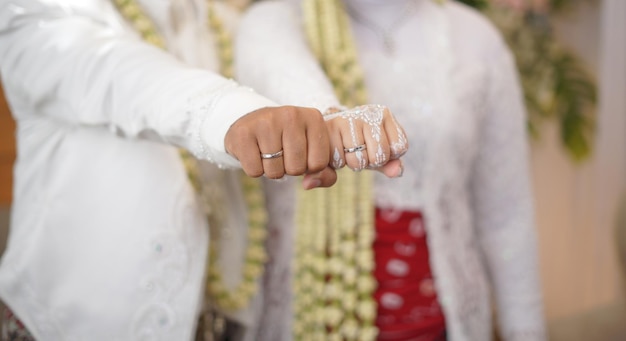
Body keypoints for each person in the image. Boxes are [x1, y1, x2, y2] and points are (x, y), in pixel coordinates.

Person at [0, 0, 407, 339]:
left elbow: (275, 60)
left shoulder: (225, 21)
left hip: (228, 321)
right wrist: (235, 117)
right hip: (66, 326)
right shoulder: (38, 12)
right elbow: (117, 75)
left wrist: (326, 118)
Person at [236, 0, 547, 340]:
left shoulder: (474, 40)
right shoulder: (276, 21)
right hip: (309, 319)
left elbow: (505, 215)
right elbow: (285, 77)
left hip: (439, 322)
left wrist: (526, 331)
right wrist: (330, 117)